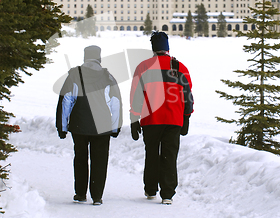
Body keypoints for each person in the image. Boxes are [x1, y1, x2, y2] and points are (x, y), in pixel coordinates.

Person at [130, 31, 193, 204]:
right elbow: (187, 95)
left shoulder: (143, 67)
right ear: (167, 48)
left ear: (153, 49)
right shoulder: (180, 67)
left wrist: (134, 117)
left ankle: (150, 190)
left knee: (151, 154)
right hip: (174, 119)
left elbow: (136, 95)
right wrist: (186, 116)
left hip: (151, 120)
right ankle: (167, 194)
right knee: (169, 156)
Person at [56, 45, 122, 205]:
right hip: (103, 126)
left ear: (85, 58)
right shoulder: (108, 77)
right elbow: (115, 103)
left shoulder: (73, 75)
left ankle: (80, 193)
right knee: (100, 160)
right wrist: (115, 126)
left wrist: (62, 126)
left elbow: (66, 101)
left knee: (80, 158)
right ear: (99, 58)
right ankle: (97, 196)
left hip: (79, 124)